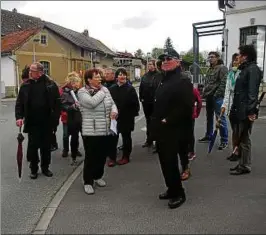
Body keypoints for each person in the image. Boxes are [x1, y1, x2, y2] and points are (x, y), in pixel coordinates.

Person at [151, 49, 193, 209]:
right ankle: (171, 188)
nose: (165, 61)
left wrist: (167, 119)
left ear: (178, 61)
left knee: (170, 161)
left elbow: (185, 107)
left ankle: (179, 193)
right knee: (164, 162)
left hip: (174, 129)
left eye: (169, 58)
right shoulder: (163, 78)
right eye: (163, 59)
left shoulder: (182, 80)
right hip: (161, 129)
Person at [15, 62, 61, 179]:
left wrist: (55, 120)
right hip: (32, 122)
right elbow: (19, 103)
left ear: (40, 72)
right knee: (33, 146)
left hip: (47, 121)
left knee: (46, 146)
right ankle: (34, 168)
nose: (29, 72)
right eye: (30, 70)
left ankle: (45, 167)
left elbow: (57, 104)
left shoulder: (50, 85)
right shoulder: (26, 86)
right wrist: (19, 117)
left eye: (32, 70)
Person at [78, 68, 118, 194]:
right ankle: (88, 181)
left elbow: (112, 103)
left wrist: (114, 111)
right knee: (91, 157)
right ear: (89, 80)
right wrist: (102, 92)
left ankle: (98, 176)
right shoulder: (82, 92)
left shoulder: (105, 89)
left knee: (102, 156)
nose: (100, 79)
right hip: (91, 130)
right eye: (96, 77)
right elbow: (91, 103)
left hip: (105, 128)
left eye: (100, 77)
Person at [229, 45, 262, 175]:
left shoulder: (252, 69)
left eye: (241, 55)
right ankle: (242, 163)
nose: (239, 57)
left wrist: (251, 111)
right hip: (239, 108)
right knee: (240, 137)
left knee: (244, 138)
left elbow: (252, 92)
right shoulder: (246, 69)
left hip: (245, 109)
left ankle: (245, 165)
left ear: (246, 56)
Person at [108, 67, 140, 166]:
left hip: (126, 118)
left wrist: (130, 114)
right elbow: (108, 103)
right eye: (120, 74)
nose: (122, 76)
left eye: (124, 74)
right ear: (116, 77)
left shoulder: (130, 89)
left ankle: (126, 157)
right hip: (114, 118)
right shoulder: (112, 89)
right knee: (113, 139)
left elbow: (136, 105)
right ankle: (112, 158)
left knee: (126, 138)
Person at [198, 51, 229, 150]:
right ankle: (209, 135)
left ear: (217, 58)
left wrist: (217, 94)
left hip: (217, 97)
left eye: (212, 57)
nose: (210, 59)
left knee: (220, 119)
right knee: (209, 117)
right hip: (209, 97)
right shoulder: (210, 69)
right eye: (209, 57)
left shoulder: (222, 68)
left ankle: (224, 140)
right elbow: (208, 83)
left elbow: (224, 83)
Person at [221, 53, 241, 161]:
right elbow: (227, 92)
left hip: (239, 107)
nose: (235, 62)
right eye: (234, 60)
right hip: (231, 107)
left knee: (240, 132)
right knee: (234, 131)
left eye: (237, 59)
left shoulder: (242, 73)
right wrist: (224, 105)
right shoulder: (230, 75)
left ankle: (239, 152)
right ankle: (235, 151)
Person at [60, 72, 82, 165]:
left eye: (78, 82)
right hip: (68, 117)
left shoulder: (80, 91)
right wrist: (72, 107)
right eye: (75, 82)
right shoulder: (65, 92)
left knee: (76, 136)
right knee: (66, 135)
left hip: (78, 118)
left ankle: (75, 150)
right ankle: (66, 149)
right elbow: (63, 105)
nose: (77, 84)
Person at [139, 60, 160, 148]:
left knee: (156, 121)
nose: (149, 66)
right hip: (146, 102)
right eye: (148, 65)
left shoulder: (159, 76)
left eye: (151, 64)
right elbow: (141, 87)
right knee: (148, 121)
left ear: (155, 66)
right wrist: (141, 97)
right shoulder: (145, 76)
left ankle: (158, 142)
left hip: (155, 102)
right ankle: (149, 140)